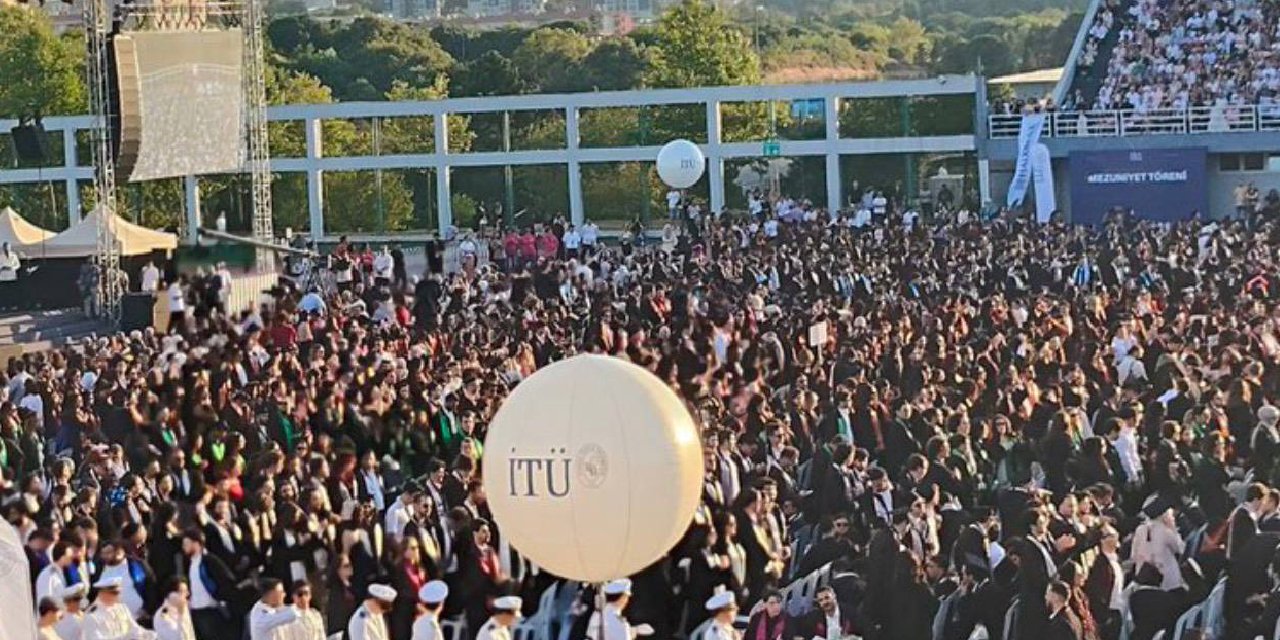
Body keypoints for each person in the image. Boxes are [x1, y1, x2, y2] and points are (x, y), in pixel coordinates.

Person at [82, 577, 155, 640]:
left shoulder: (122, 608)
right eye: (115, 593)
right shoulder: (92, 616)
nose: (118, 596)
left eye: (119, 592)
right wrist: (125, 638)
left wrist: (146, 634)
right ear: (102, 594)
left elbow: (134, 627)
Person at [585, 579, 654, 640]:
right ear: (623, 598)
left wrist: (632, 631)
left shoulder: (597, 614)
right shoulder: (618, 621)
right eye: (627, 597)